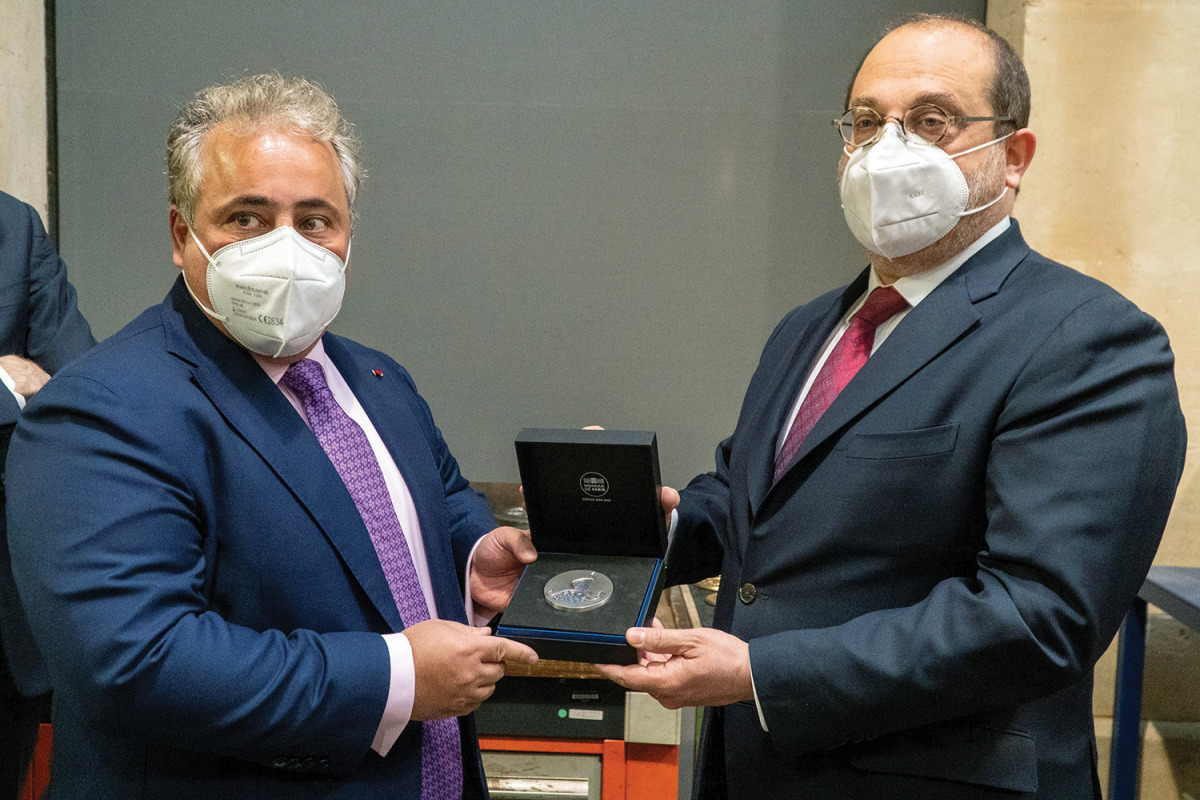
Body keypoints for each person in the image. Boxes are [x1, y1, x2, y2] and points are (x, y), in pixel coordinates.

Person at [598, 14, 1186, 800]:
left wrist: (763, 672)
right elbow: (750, 505)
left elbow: (1039, 615)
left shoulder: (1085, 339)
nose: (888, 149)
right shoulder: (810, 327)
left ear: (1014, 156)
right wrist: (640, 529)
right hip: (754, 774)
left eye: (931, 120)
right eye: (868, 122)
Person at [5, 74, 538, 800]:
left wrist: (474, 558)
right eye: (247, 218)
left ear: (348, 235)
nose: (287, 250)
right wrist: (397, 677)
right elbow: (135, 661)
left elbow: (434, 503)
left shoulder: (379, 380)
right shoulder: (102, 412)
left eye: (315, 220)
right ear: (180, 234)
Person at [0, 190, 95, 800]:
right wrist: (6, 384)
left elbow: (81, 389)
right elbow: (30, 389)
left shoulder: (13, 225)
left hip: (7, 615)